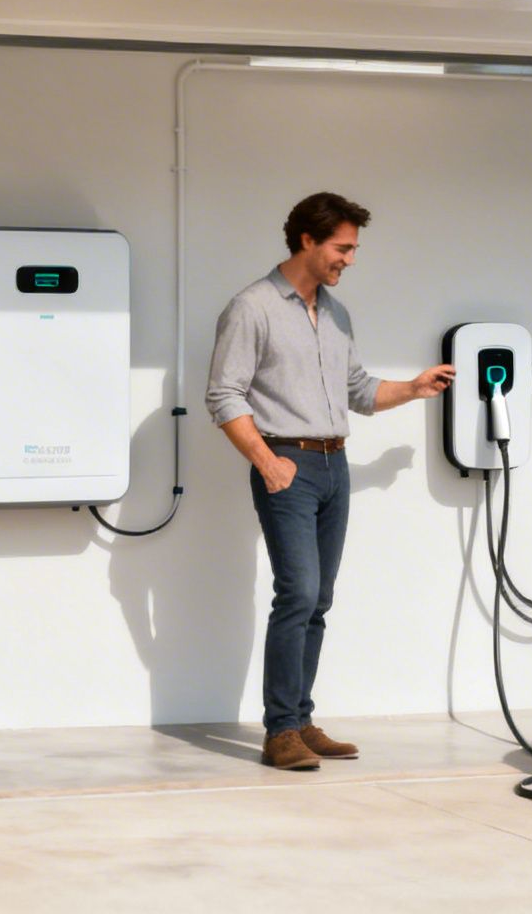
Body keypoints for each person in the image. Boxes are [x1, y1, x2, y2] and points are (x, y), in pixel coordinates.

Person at [206, 192, 455, 771]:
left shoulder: (337, 313)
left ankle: (301, 718)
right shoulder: (252, 307)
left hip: (333, 466)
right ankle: (279, 733)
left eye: (353, 248)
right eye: (343, 248)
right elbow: (223, 395)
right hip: (286, 464)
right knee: (295, 594)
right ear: (307, 241)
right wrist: (268, 462)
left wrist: (414, 388)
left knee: (318, 600)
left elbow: (360, 391)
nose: (350, 259)